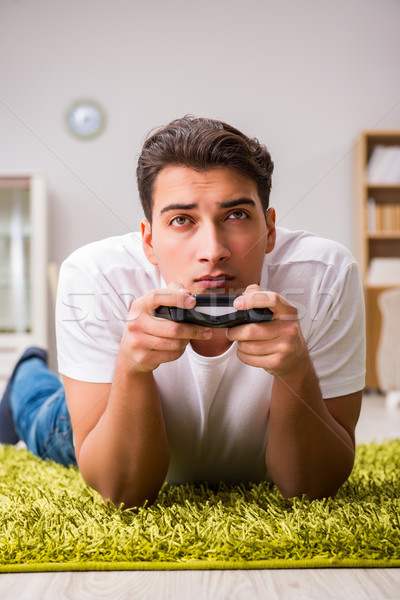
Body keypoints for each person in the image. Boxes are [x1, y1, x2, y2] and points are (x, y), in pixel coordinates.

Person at [0, 115, 366, 508]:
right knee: (40, 411)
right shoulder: (94, 274)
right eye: (180, 220)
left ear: (270, 229)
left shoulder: (326, 274)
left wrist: (296, 369)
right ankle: (26, 369)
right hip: (110, 419)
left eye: (237, 215)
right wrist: (132, 367)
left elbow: (312, 487)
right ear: (149, 241)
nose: (213, 249)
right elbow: (124, 491)